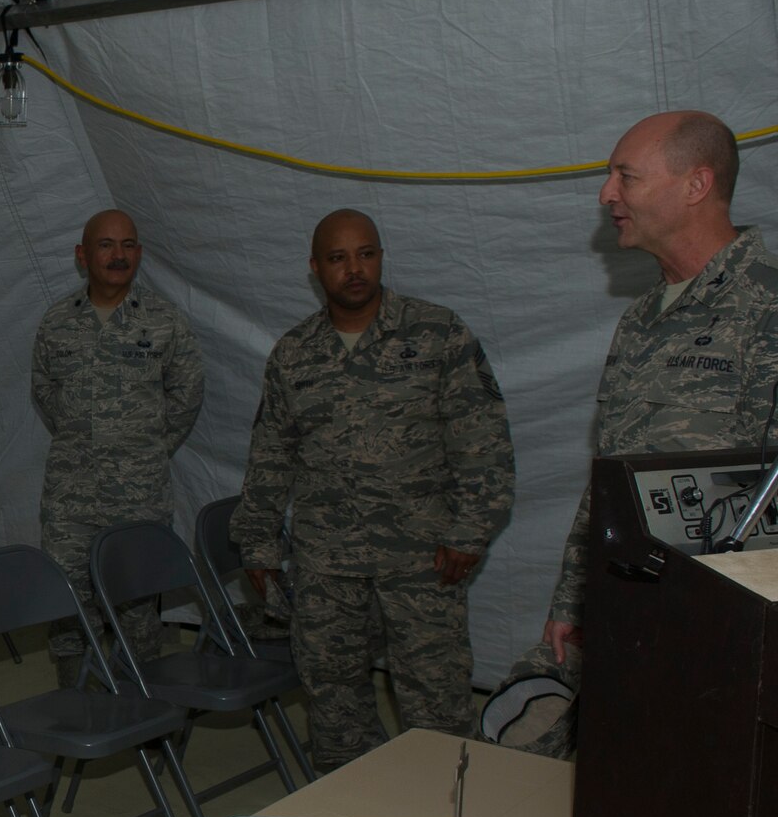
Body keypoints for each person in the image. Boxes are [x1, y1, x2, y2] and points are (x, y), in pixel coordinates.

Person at [232, 209, 514, 770]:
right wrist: (258, 542)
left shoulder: (436, 333)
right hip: (327, 566)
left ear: (381, 257)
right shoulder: (294, 354)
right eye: (338, 258)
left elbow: (482, 442)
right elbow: (270, 456)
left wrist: (470, 531)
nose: (354, 269)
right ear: (316, 268)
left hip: (422, 560)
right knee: (335, 709)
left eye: (366, 254)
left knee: (437, 709)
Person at [542, 112, 778, 671]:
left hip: (731, 628)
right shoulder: (642, 317)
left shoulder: (767, 307)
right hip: (633, 608)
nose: (606, 194)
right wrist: (576, 594)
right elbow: (610, 471)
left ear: (696, 185)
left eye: (627, 176)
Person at [32, 209, 205, 682]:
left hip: (138, 495)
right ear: (81, 255)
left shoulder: (165, 322)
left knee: (137, 610)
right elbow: (46, 391)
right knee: (68, 605)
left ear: (140, 254)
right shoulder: (56, 324)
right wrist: (82, 439)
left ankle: (144, 707)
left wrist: (145, 446)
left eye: (128, 245)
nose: (118, 255)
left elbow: (187, 394)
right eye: (106, 245)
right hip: (71, 496)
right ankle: (76, 705)